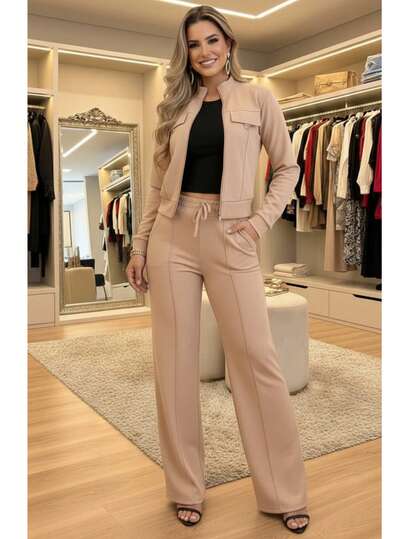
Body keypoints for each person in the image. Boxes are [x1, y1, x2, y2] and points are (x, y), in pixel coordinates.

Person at [126, 4, 310, 534]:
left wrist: (258, 222)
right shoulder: (175, 108)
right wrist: (140, 247)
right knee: (174, 364)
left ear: (229, 43)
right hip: (173, 235)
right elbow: (156, 186)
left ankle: (284, 491)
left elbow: (288, 167)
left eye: (212, 40)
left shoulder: (258, 99)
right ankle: (186, 488)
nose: (204, 51)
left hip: (232, 236)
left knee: (256, 359)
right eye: (193, 44)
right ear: (184, 53)